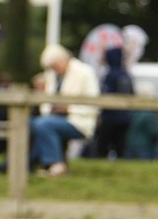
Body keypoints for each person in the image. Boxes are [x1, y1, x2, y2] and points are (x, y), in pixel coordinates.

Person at [30, 44, 100, 177]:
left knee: (43, 125)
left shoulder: (85, 72)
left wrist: (69, 109)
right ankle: (27, 164)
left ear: (63, 59)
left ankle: (55, 164)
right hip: (53, 118)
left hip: (79, 120)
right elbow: (46, 103)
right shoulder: (52, 74)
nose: (54, 70)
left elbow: (94, 104)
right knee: (32, 123)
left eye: (55, 66)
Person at [96, 46, 133, 158]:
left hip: (110, 117)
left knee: (103, 147)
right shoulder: (126, 74)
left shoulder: (110, 74)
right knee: (120, 147)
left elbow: (105, 94)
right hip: (125, 117)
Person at [124, 81, 157, 160]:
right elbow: (152, 132)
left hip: (129, 144)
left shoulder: (133, 110)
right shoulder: (148, 113)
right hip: (144, 146)